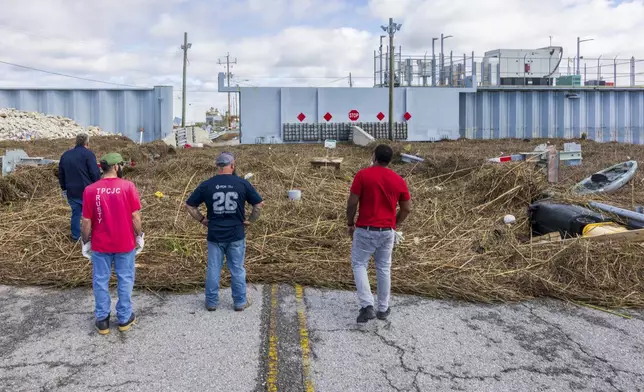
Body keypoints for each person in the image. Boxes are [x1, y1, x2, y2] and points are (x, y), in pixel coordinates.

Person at [186, 152, 263, 312]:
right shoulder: (242, 183)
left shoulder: (207, 185)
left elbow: (190, 206)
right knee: (237, 269)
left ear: (217, 166)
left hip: (215, 234)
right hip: (236, 234)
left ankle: (211, 302)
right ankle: (240, 302)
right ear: (233, 165)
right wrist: (250, 220)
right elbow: (258, 204)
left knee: (214, 268)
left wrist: (202, 220)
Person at [346, 144, 411, 323]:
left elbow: (352, 203)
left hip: (365, 229)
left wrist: (350, 223)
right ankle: (383, 308)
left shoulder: (363, 175)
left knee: (359, 264)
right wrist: (393, 224)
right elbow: (406, 209)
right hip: (387, 232)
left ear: (374, 156)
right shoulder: (399, 180)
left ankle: (367, 305)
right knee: (383, 268)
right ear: (389, 160)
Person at [80, 152, 144, 335]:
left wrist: (85, 241)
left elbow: (86, 221)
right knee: (125, 278)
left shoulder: (90, 190)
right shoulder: (128, 187)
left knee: (100, 280)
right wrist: (139, 235)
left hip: (101, 244)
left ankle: (102, 320)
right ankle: (124, 318)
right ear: (117, 167)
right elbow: (135, 216)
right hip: (125, 243)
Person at [58, 133, 101, 241]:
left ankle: (75, 236)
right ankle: (94, 236)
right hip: (87, 191)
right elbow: (94, 173)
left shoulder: (65, 155)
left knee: (76, 214)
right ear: (87, 143)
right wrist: (98, 185)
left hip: (71, 191)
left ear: (76, 142)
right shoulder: (88, 154)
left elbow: (61, 174)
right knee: (93, 214)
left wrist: (64, 188)